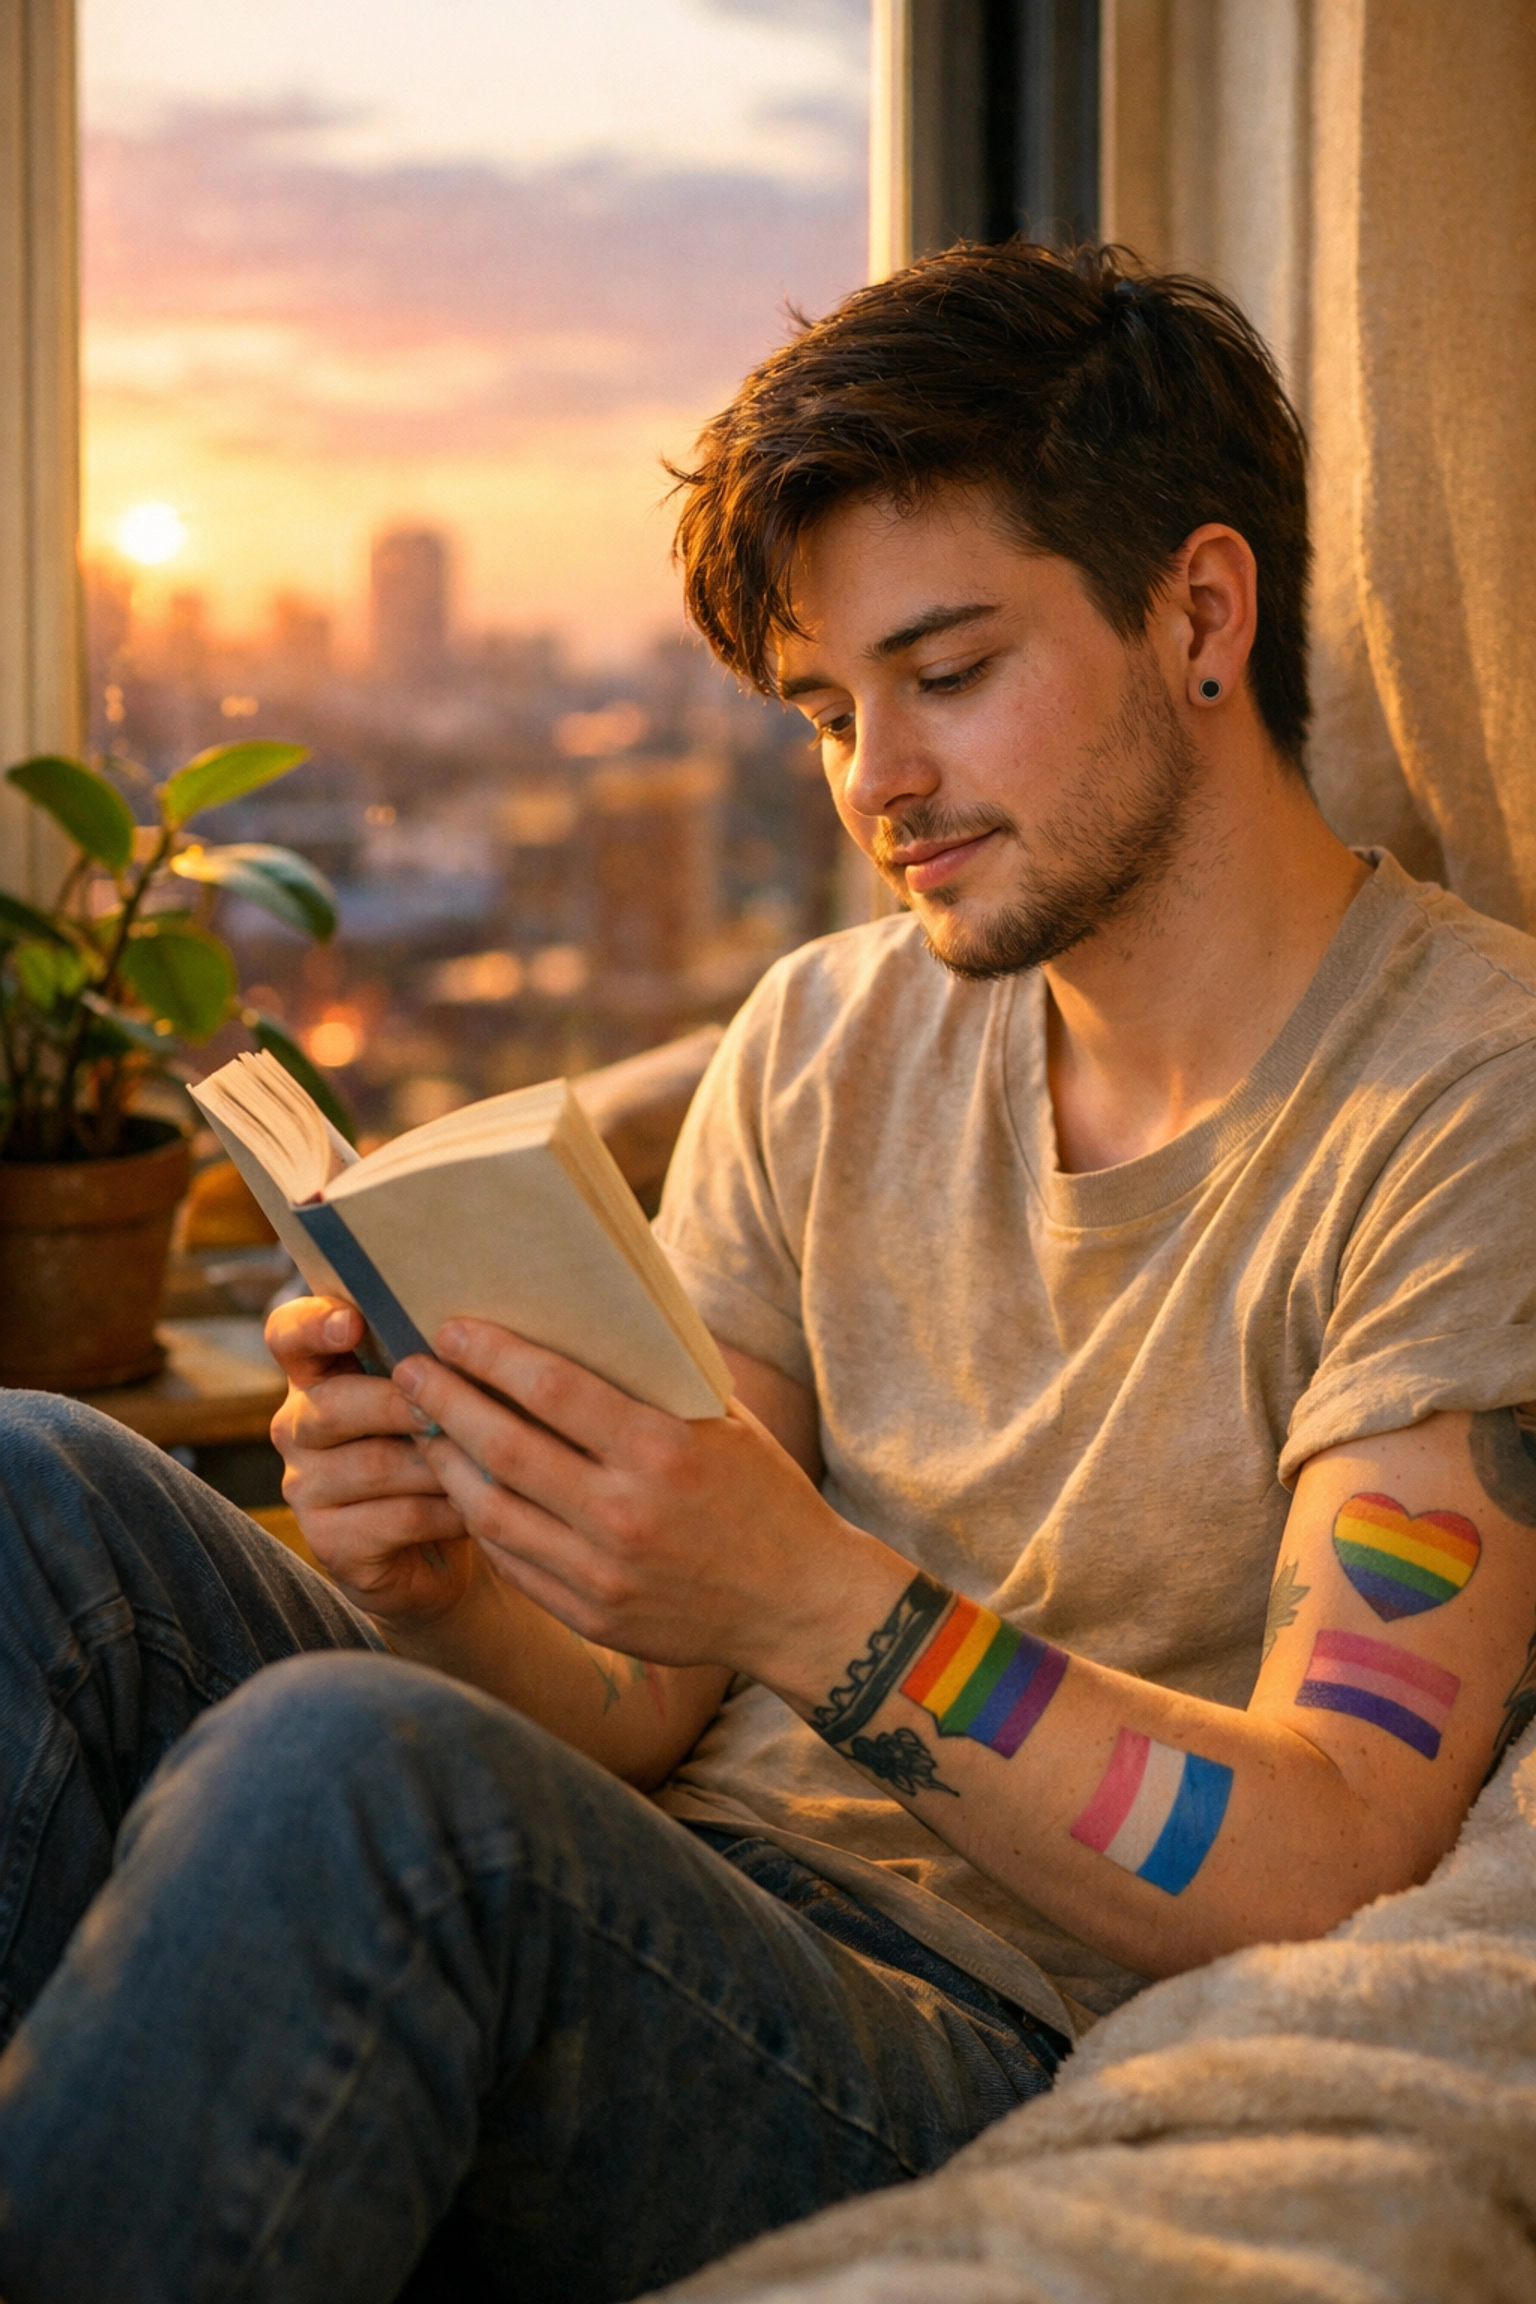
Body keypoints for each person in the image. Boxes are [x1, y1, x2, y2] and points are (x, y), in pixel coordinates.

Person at [3, 240, 1536, 2304]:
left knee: (355, 1776)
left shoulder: (1470, 1092)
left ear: (1199, 612)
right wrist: (451, 1575)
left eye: (950, 672)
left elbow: (1343, 1841)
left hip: (958, 2030)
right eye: (829, 709)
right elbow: (640, 1704)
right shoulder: (830, 1038)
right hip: (658, 1877)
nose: (873, 782)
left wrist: (813, 1595)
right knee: (38, 1493)